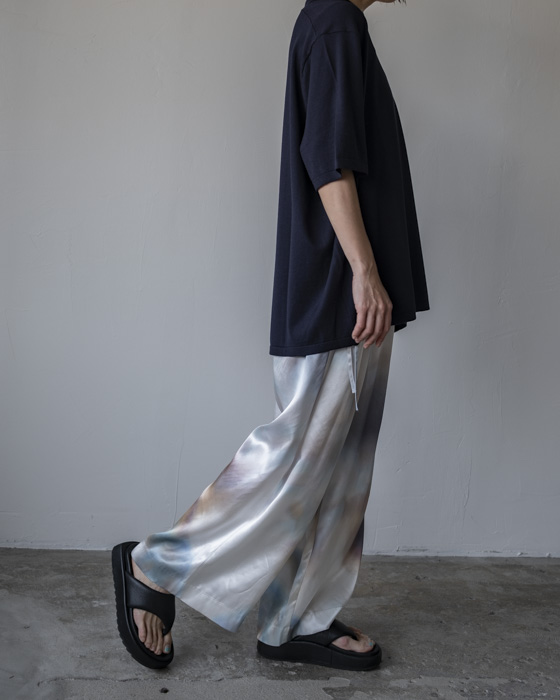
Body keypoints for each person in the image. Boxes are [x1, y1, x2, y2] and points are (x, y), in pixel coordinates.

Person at [112, 0, 429, 673]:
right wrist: (364, 272)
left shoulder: (336, 22)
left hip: (347, 288)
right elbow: (328, 159)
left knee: (339, 468)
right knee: (298, 458)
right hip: (340, 288)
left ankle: (295, 619)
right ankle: (157, 565)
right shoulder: (334, 21)